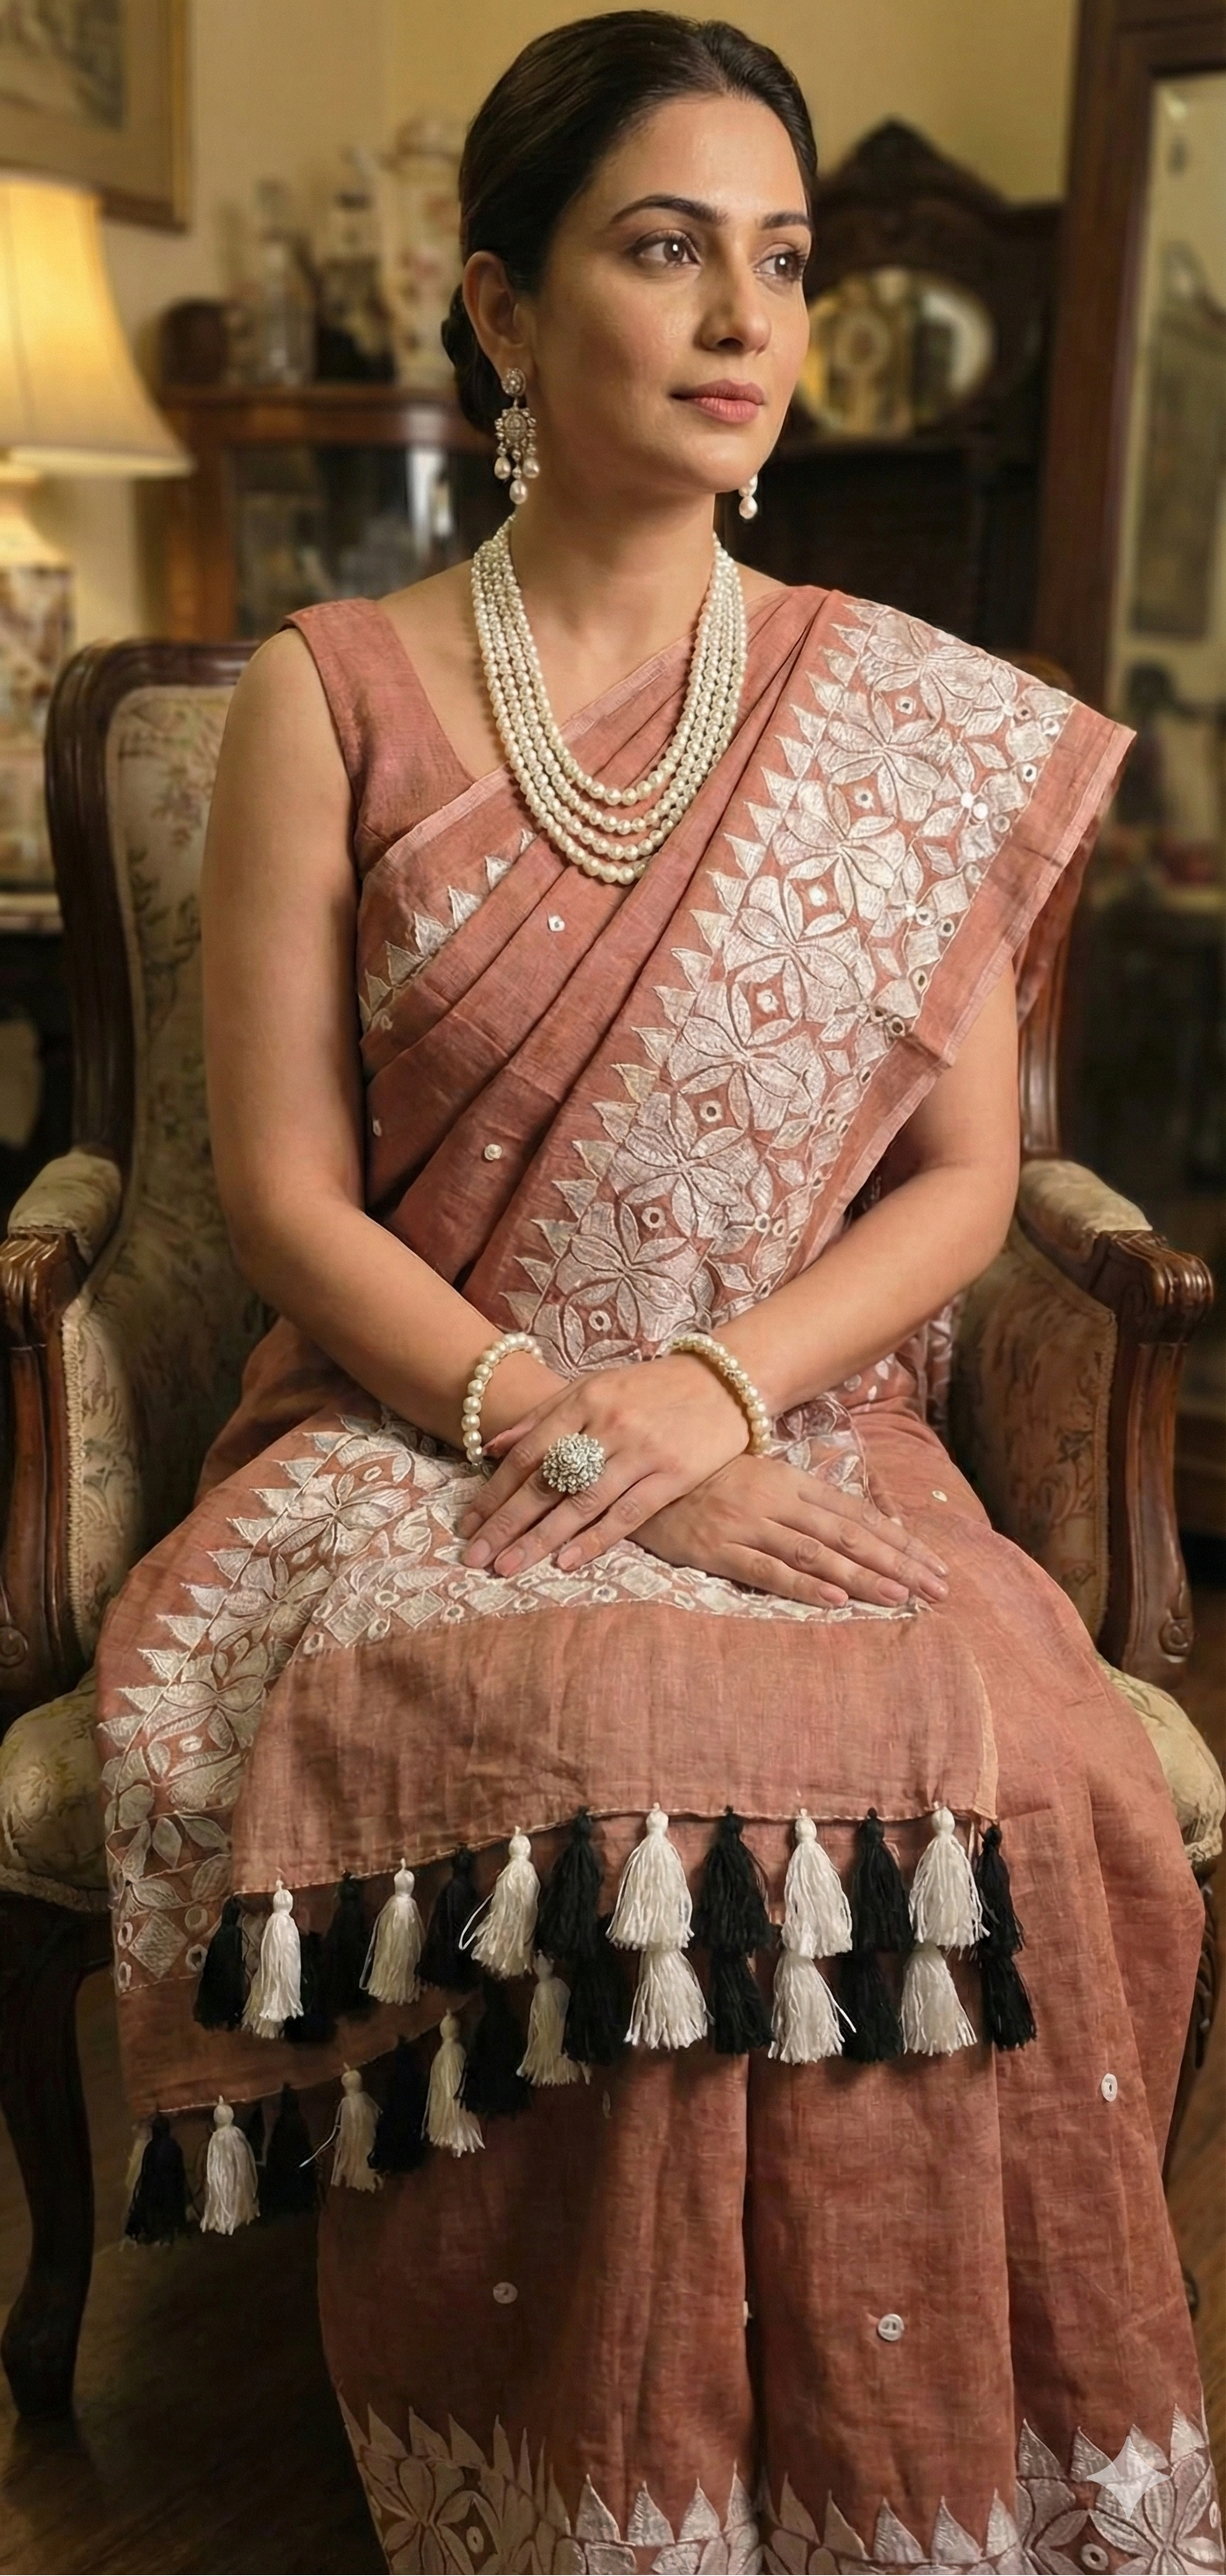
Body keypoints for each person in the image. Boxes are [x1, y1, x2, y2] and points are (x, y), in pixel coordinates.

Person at [95, 17, 1221, 2570]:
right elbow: (281, 1200)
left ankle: (922, 2494)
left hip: (809, 1409)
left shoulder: (892, 726)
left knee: (1012, 1760)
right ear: (499, 310)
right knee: (589, 1721)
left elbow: (959, 1194)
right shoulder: (328, 698)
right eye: (662, 245)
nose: (745, 318)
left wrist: (712, 1398)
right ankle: (598, 2491)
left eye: (785, 261)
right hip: (419, 1414)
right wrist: (573, 1431)